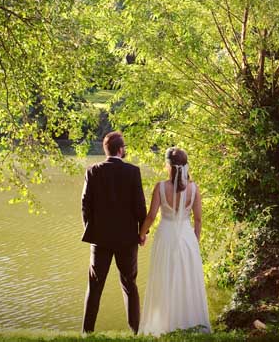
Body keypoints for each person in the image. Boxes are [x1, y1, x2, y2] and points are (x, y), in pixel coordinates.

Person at [138, 147, 211, 335]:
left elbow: (151, 216)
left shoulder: (160, 187)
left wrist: (141, 234)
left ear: (168, 165)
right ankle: (189, 324)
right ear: (186, 165)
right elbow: (198, 220)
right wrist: (195, 241)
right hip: (187, 238)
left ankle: (163, 325)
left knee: (163, 277)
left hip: (165, 236)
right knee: (186, 279)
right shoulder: (194, 188)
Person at [81, 131, 147, 334]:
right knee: (129, 285)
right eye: (124, 147)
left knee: (95, 286)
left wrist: (90, 229)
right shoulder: (133, 171)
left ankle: (87, 332)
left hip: (99, 238)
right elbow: (140, 206)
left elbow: (85, 205)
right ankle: (135, 332)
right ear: (120, 150)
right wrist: (142, 232)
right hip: (127, 239)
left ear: (106, 150)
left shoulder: (93, 171)